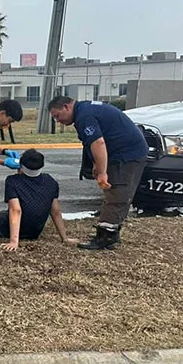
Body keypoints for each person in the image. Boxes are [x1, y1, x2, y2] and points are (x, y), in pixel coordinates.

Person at [48, 96, 148, 250]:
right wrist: (97, 165)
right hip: (123, 151)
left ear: (66, 107)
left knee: (117, 193)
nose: (58, 120)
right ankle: (112, 232)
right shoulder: (86, 110)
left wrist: (102, 172)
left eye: (57, 115)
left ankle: (106, 235)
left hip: (127, 154)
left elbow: (98, 142)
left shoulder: (84, 116)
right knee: (114, 192)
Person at [0, 149, 76, 251]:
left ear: (20, 165)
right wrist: (65, 238)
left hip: (7, 229)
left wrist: (14, 241)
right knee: (0, 214)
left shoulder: (13, 181)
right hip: (35, 232)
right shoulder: (50, 181)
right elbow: (55, 211)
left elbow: (15, 210)